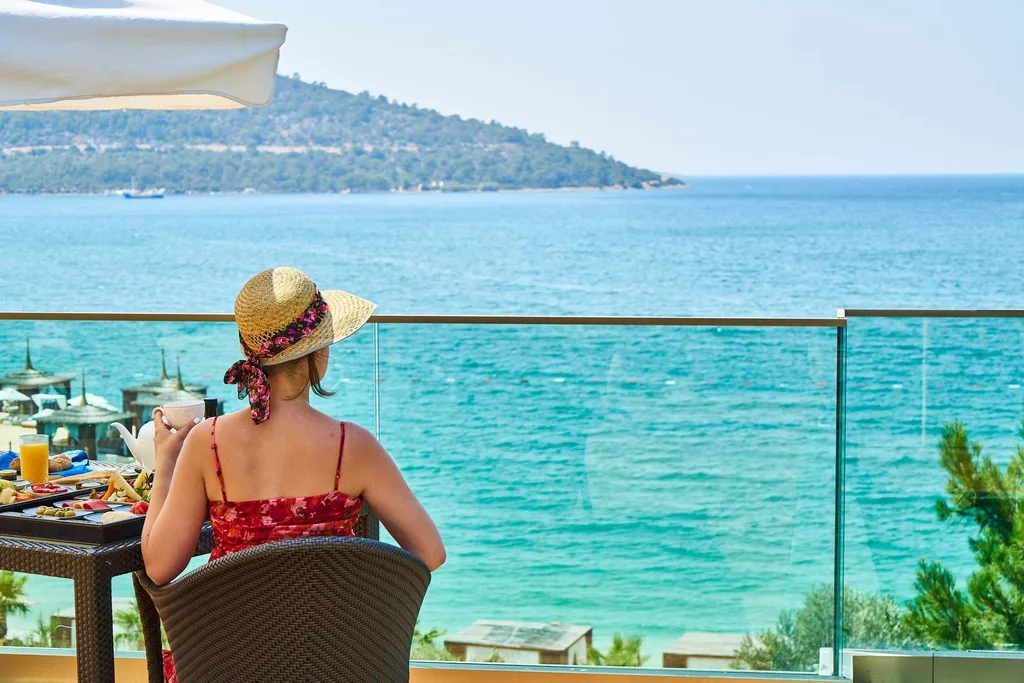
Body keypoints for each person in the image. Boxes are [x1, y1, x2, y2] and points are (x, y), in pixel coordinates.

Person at [141, 267, 445, 681]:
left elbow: (159, 567)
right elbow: (430, 553)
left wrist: (166, 465)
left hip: (229, 665)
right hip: (337, 666)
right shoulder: (350, 446)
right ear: (318, 354)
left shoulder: (206, 442)